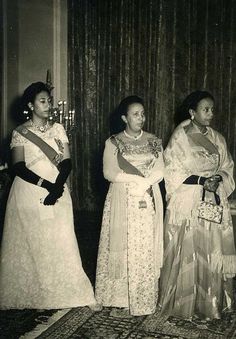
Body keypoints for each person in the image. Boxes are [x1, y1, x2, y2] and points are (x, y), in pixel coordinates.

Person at [0, 82, 100, 310]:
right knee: (34, 242)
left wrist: (56, 187)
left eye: (49, 101)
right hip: (30, 191)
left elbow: (66, 162)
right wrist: (46, 185)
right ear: (30, 105)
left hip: (57, 190)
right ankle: (37, 292)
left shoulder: (58, 129)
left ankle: (74, 293)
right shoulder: (20, 132)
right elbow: (18, 167)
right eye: (42, 101)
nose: (48, 106)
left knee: (62, 239)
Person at [159, 90, 236, 320]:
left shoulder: (217, 138)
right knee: (189, 248)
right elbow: (172, 172)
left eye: (212, 109)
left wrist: (218, 179)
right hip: (188, 200)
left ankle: (209, 302)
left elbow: (228, 166)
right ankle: (184, 301)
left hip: (213, 198)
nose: (211, 113)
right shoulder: (180, 137)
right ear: (192, 112)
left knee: (211, 248)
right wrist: (202, 181)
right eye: (205, 109)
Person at [95, 95, 164, 316]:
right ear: (125, 117)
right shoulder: (113, 142)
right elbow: (109, 172)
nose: (141, 118)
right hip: (122, 199)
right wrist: (134, 181)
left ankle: (143, 298)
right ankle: (120, 298)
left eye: (143, 113)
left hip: (146, 196)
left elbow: (161, 170)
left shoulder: (154, 141)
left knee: (144, 247)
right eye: (135, 114)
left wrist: (145, 183)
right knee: (123, 246)